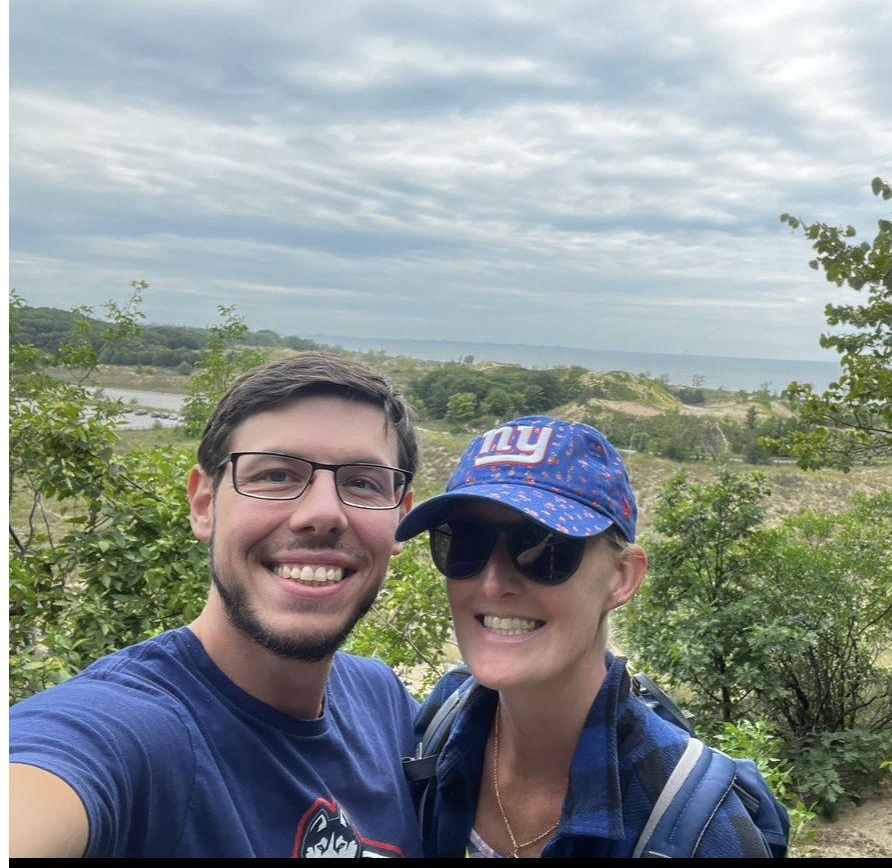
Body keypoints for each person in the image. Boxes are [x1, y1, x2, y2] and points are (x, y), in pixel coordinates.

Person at [10, 353, 424, 858]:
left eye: (362, 482)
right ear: (205, 504)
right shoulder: (130, 735)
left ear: (401, 521)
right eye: (276, 475)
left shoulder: (382, 701)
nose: (322, 514)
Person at [396, 415, 789, 858]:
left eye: (543, 548)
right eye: (466, 542)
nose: (493, 584)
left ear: (621, 578)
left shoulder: (700, 833)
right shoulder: (441, 725)